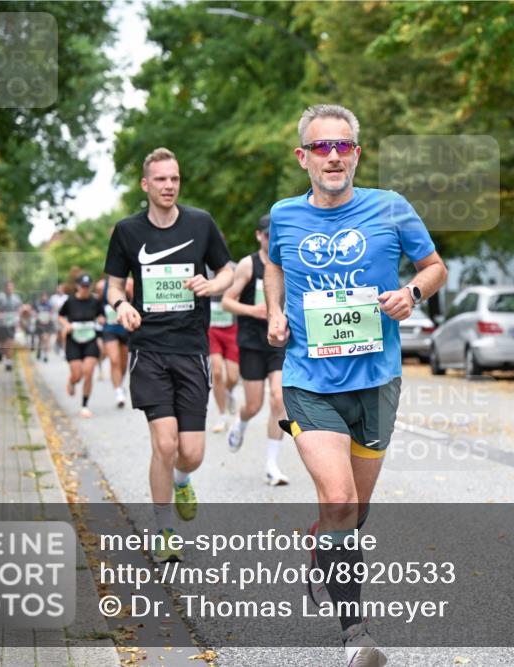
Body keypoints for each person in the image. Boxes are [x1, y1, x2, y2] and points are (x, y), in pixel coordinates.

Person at [265, 104, 447, 666]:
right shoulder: (285, 215)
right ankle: (356, 634)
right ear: (303, 157)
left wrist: (411, 295)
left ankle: (321, 550)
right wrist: (274, 311)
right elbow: (273, 263)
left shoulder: (391, 208)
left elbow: (435, 266)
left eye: (344, 146)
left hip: (376, 381)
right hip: (308, 380)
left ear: (357, 154)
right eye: (322, 147)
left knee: (354, 511)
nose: (334, 156)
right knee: (339, 497)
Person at [104, 147, 233, 562]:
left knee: (190, 452)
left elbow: (227, 269)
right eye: (160, 179)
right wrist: (122, 305)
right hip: (149, 350)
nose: (168, 186)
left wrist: (213, 286)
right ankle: (164, 531)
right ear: (146, 184)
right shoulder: (127, 231)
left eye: (174, 178)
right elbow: (112, 285)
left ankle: (182, 480)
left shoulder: (201, 223)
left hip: (191, 349)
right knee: (164, 442)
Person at [222, 214, 288, 485]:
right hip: (251, 341)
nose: (272, 240)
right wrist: (254, 310)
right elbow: (227, 301)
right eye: (267, 236)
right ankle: (241, 421)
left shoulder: (288, 262)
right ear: (259, 236)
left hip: (279, 341)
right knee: (253, 404)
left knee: (278, 398)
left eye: (276, 236)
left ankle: (272, 465)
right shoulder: (248, 265)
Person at [58, 274, 105, 417]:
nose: (85, 289)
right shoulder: (70, 301)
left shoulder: (95, 301)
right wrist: (66, 325)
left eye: (87, 286)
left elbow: (101, 315)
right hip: (74, 340)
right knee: (78, 375)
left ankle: (84, 405)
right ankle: (72, 381)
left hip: (90, 338)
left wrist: (101, 319)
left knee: (89, 372)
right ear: (77, 286)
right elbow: (60, 316)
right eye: (83, 286)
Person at [207, 262, 240, 433]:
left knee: (233, 376)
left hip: (232, 328)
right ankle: (222, 415)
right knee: (217, 371)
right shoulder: (200, 267)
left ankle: (228, 392)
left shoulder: (234, 269)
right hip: (211, 329)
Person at [98, 276, 134, 408]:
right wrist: (100, 316)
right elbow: (100, 304)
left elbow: (136, 302)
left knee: (124, 363)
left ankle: (119, 383)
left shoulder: (130, 282)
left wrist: (130, 292)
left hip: (125, 328)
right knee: (114, 360)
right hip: (109, 328)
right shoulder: (102, 286)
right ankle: (118, 392)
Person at [0, 280, 23, 371]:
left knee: (10, 343)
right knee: (3, 344)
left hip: (12, 323)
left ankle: (8, 363)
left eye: (11, 287)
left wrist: (19, 314)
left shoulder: (16, 298)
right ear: (5, 288)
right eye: (8, 287)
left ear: (13, 288)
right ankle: (0, 351)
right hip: (2, 323)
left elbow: (20, 307)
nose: (9, 289)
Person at [33, 291, 54, 362]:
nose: (44, 298)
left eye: (45, 296)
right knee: (41, 339)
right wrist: (38, 318)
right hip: (40, 324)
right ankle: (39, 351)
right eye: (43, 296)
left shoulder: (50, 305)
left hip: (48, 324)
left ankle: (45, 355)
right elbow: (34, 313)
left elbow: (52, 313)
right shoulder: (37, 304)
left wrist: (50, 318)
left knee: (46, 339)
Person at [49, 282, 68, 358]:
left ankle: (64, 351)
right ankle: (58, 344)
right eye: (58, 288)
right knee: (59, 334)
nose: (60, 290)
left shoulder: (66, 297)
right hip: (56, 318)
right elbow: (51, 308)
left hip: (64, 318)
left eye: (61, 288)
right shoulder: (53, 298)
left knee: (64, 335)